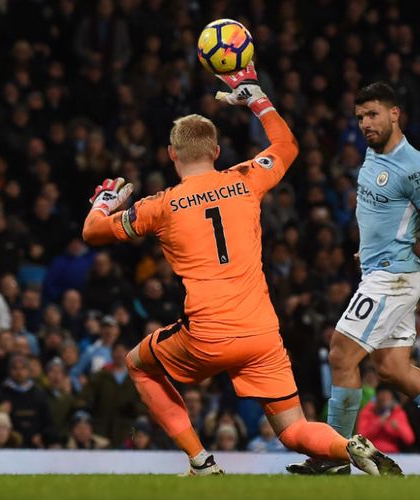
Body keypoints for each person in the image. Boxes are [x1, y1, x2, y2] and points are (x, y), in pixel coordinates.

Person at [81, 64, 399, 476]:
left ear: (172, 154)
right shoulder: (246, 179)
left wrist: (104, 201)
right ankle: (349, 445)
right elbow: (287, 145)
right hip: (262, 332)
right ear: (215, 152)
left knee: (138, 363)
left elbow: (92, 233)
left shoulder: (159, 205)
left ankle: (201, 462)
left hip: (208, 332)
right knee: (293, 428)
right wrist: (258, 99)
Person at [288, 82, 420, 476]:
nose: (365, 124)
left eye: (373, 114)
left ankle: (334, 456)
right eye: (360, 117)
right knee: (392, 369)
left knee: (341, 354)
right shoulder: (373, 151)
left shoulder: (414, 167)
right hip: (380, 270)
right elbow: (385, 217)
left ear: (395, 113)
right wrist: (366, 250)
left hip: (392, 279)